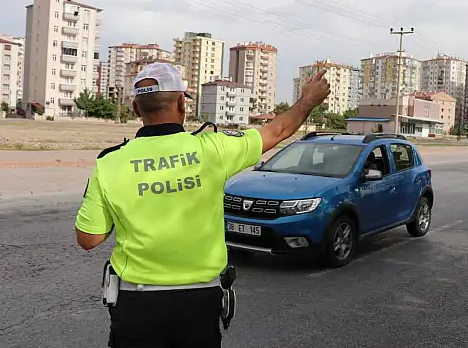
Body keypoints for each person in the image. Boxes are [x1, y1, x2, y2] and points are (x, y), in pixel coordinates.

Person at [73, 62, 330, 347]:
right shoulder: (214, 149)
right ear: (182, 102)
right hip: (199, 302)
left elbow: (89, 238)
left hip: (136, 303)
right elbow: (278, 131)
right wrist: (309, 99)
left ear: (136, 108)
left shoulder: (110, 162)